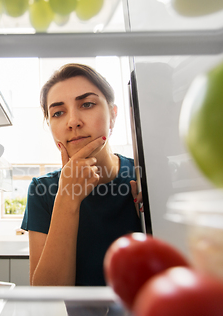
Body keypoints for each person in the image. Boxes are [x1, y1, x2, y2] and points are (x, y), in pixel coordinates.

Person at [20, 63, 143, 287]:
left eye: (87, 104)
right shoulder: (41, 189)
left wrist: (151, 225)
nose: (73, 121)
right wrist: (68, 197)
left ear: (113, 115)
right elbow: (47, 299)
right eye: (58, 112)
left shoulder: (144, 177)